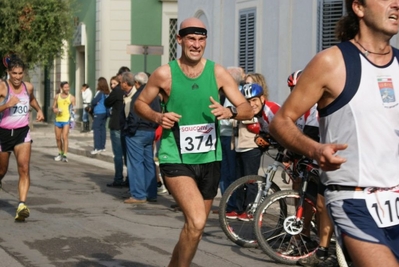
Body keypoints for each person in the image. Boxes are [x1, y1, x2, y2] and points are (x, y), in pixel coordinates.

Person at [269, 1, 399, 266]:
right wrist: (314, 149)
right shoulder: (331, 62)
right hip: (355, 199)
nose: (396, 3)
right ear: (359, 8)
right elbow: (281, 121)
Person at [134, 17, 253, 267]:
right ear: (180, 40)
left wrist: (229, 112)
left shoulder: (217, 72)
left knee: (194, 229)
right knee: (198, 220)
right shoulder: (165, 73)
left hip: (210, 158)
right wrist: (158, 116)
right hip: (175, 156)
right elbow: (139, 104)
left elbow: (247, 108)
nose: (196, 45)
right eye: (191, 38)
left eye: (201, 39)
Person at [283, 70, 337, 267]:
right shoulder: (299, 109)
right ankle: (306, 239)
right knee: (307, 201)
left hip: (324, 161)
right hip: (311, 161)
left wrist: (295, 153)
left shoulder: (314, 108)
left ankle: (327, 247)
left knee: (322, 206)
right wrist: (288, 155)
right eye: (291, 89)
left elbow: (310, 136)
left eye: (296, 89)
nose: (294, 93)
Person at [226, 82, 280, 221]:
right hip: (242, 146)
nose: (252, 104)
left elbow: (286, 130)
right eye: (248, 102)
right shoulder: (258, 113)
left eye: (254, 100)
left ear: (262, 99)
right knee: (242, 178)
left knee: (250, 179)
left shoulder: (271, 110)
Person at [0, 56, 45, 221]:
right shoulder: (2, 87)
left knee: (24, 168)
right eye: (14, 73)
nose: (17, 77)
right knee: (1, 170)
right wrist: (6, 105)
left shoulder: (28, 87)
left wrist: (39, 110)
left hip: (21, 132)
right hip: (3, 133)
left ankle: (21, 205)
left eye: (20, 73)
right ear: (8, 72)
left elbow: (32, 100)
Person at [123, 72, 160, 204]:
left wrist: (130, 130)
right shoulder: (155, 96)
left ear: (137, 83)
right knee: (148, 162)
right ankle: (151, 193)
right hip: (150, 131)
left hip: (138, 132)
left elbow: (134, 115)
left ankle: (138, 194)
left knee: (135, 163)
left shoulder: (139, 96)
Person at [105, 67, 130, 187]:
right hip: (128, 125)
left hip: (117, 124)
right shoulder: (132, 89)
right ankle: (130, 179)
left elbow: (107, 102)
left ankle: (118, 178)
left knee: (118, 154)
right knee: (128, 154)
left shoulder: (118, 90)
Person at [52, 81, 76, 162]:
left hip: (66, 120)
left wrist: (72, 120)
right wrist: (55, 110)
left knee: (64, 137)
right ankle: (60, 153)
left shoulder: (71, 97)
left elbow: (74, 109)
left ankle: (65, 155)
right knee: (58, 138)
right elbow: (53, 107)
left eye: (68, 87)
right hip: (58, 120)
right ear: (61, 88)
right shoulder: (57, 96)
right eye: (65, 87)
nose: (67, 89)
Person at [90, 77, 110, 154]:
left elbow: (94, 101)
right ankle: (102, 146)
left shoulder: (100, 93)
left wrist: (95, 102)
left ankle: (97, 147)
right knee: (103, 129)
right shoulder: (107, 93)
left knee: (96, 130)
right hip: (105, 112)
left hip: (98, 112)